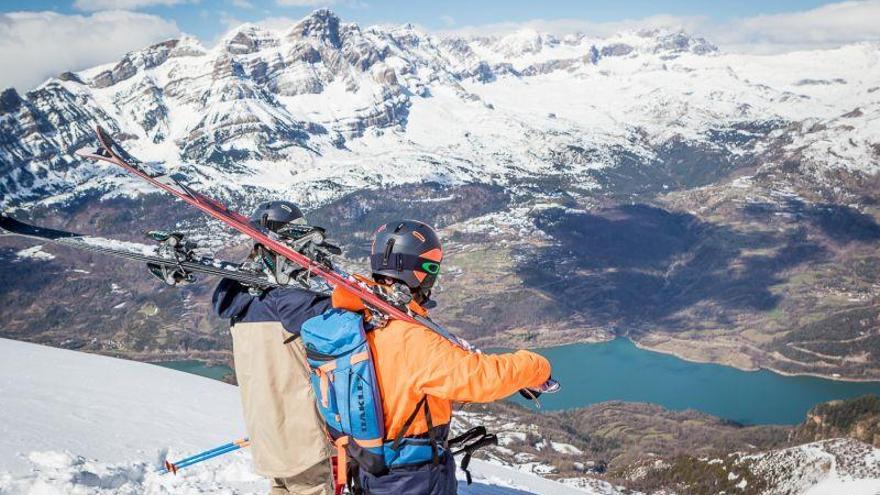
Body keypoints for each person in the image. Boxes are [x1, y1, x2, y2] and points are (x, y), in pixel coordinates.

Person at [311, 220, 552, 494]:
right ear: (419, 272)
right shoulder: (409, 337)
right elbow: (480, 380)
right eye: (431, 266)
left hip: (368, 463)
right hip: (412, 475)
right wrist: (536, 366)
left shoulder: (353, 318)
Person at [212, 201, 335, 495]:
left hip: (267, 433)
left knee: (280, 487)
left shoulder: (242, 301)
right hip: (302, 433)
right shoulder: (295, 300)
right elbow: (338, 331)